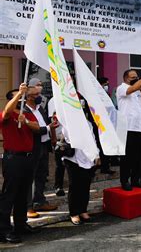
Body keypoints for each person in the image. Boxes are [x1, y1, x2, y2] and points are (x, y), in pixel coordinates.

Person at [0, 84, 41, 243]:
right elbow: (8, 110)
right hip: (13, 159)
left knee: (23, 193)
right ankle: (3, 229)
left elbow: (37, 128)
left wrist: (26, 122)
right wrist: (20, 93)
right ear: (12, 99)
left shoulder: (26, 115)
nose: (22, 98)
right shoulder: (7, 115)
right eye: (18, 96)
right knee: (9, 194)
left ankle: (20, 224)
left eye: (23, 96)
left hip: (27, 158)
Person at [25, 79, 58, 217]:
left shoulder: (40, 108)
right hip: (32, 147)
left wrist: (52, 135)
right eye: (37, 94)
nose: (40, 96)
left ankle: (40, 201)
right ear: (29, 95)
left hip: (44, 145)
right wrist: (48, 128)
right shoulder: (24, 110)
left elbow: (46, 123)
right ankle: (27, 206)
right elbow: (34, 129)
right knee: (29, 177)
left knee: (41, 175)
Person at [62, 115, 101, 225]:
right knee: (74, 186)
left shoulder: (87, 123)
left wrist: (96, 154)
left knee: (85, 185)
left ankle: (83, 210)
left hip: (88, 158)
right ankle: (74, 213)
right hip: (73, 158)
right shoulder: (67, 122)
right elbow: (69, 138)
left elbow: (93, 139)